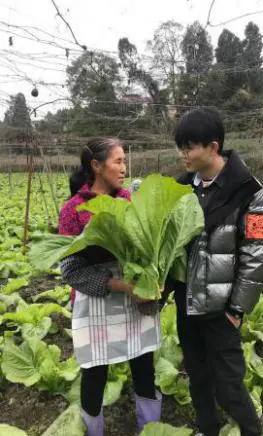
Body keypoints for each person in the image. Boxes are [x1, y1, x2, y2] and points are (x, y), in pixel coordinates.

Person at [172, 108, 263, 436]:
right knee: (197, 374)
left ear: (213, 147)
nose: (182, 155)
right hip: (187, 301)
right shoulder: (182, 188)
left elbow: (258, 253)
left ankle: (249, 430)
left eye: (189, 147)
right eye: (180, 147)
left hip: (221, 308)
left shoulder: (249, 190)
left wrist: (237, 308)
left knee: (229, 382)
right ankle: (206, 427)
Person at [58, 138, 162, 436]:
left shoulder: (129, 199)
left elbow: (146, 251)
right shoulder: (73, 209)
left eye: (124, 161)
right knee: (94, 374)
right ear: (96, 166)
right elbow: (72, 271)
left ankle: (151, 429)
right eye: (118, 162)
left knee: (144, 370)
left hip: (134, 302)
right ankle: (93, 431)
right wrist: (121, 285)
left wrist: (151, 280)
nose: (124, 168)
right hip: (96, 301)